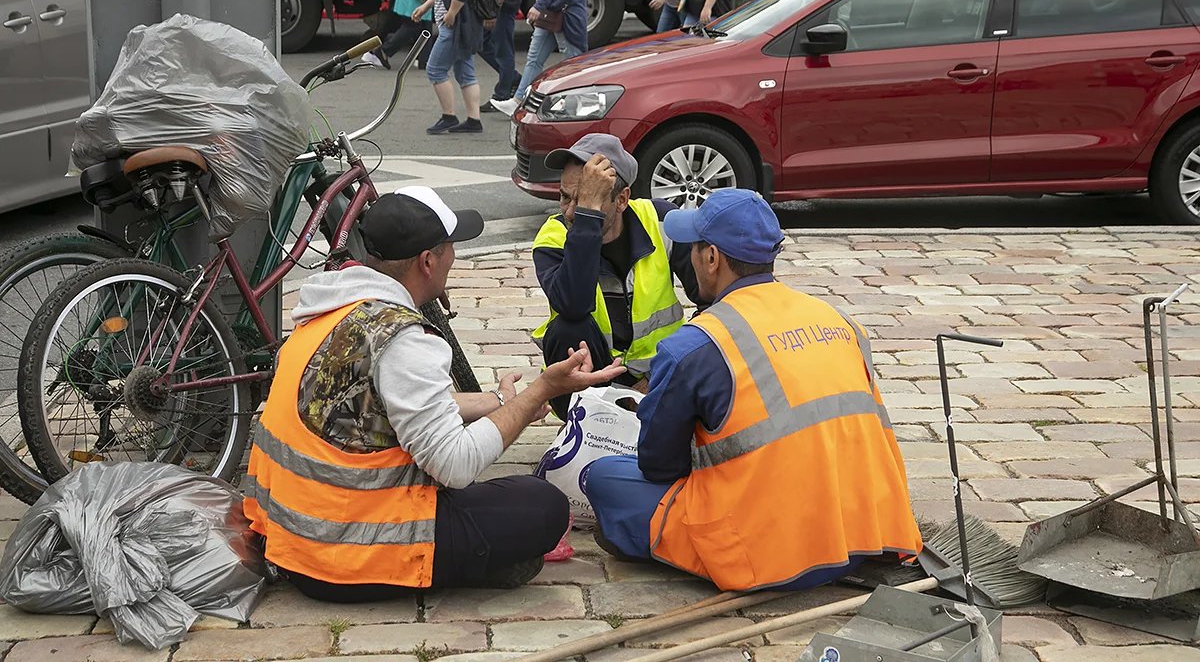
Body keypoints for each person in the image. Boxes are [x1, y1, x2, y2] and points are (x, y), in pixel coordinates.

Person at [242, 187, 626, 600]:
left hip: (292, 542)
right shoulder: (404, 340)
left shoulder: (331, 309)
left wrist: (502, 404)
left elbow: (386, 405)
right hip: (350, 557)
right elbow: (455, 465)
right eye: (450, 249)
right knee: (542, 505)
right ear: (428, 261)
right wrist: (541, 392)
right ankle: (451, 567)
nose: (453, 258)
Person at [582, 189, 922, 591]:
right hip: (864, 536)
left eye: (693, 248)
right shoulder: (840, 320)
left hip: (773, 556)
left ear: (711, 259)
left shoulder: (695, 345)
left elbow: (659, 467)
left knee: (603, 476)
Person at [530, 134, 704, 420]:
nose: (570, 212)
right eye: (565, 197)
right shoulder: (554, 235)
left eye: (588, 199)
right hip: (587, 379)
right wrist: (589, 214)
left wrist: (661, 375)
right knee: (567, 327)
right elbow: (573, 304)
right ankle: (590, 421)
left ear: (622, 199)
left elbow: (713, 300)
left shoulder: (660, 221)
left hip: (659, 376)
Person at [424, 0, 488, 135]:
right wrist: (426, 6)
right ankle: (473, 120)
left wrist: (451, 13)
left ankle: (449, 116)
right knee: (465, 72)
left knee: (435, 69)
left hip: (455, 24)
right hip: (466, 24)